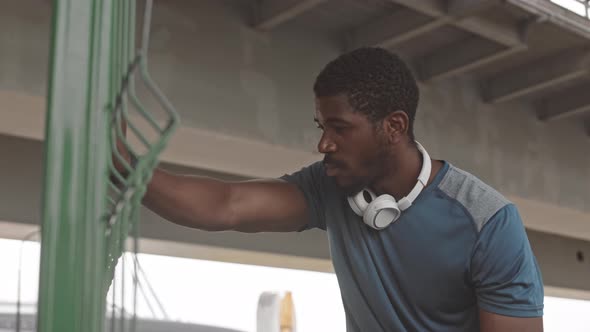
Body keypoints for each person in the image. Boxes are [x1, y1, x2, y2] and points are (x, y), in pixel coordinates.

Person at [119, 47, 544, 331]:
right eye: (323, 127)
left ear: (394, 126)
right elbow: (225, 206)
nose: (324, 144)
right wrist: (122, 163)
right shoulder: (331, 187)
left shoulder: (488, 223)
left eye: (340, 128)